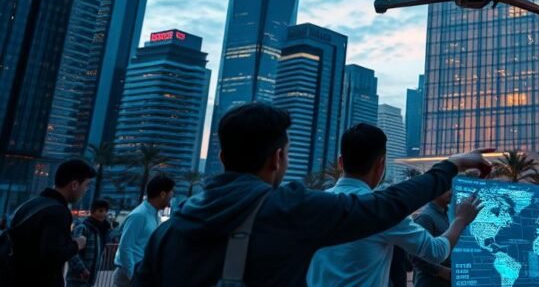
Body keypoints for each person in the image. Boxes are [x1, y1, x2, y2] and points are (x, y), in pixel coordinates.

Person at [135, 102, 492, 287]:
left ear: (222, 156)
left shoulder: (169, 231)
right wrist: (452, 166)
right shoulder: (292, 210)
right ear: (277, 158)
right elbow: (388, 205)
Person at [306, 124, 482, 287]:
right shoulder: (384, 211)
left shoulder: (311, 206)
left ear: (340, 162)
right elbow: (436, 251)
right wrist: (460, 220)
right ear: (380, 164)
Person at [9, 158, 94, 286]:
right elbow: (52, 255)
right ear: (74, 185)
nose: (86, 190)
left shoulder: (30, 205)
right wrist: (77, 244)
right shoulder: (58, 211)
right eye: (86, 185)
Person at [115, 175, 175, 286]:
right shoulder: (139, 215)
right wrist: (133, 276)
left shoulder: (153, 215)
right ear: (162, 194)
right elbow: (125, 247)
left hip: (139, 274)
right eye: (171, 193)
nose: (172, 197)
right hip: (129, 277)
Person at [412, 189, 455, 287]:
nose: (451, 192)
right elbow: (415, 256)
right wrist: (442, 271)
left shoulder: (449, 216)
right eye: (447, 189)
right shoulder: (425, 217)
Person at [67, 198, 113, 287]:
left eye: (106, 211)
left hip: (89, 277)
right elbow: (72, 252)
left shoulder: (100, 229)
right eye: (100, 211)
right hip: (77, 277)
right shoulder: (83, 227)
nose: (104, 214)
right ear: (92, 212)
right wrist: (82, 269)